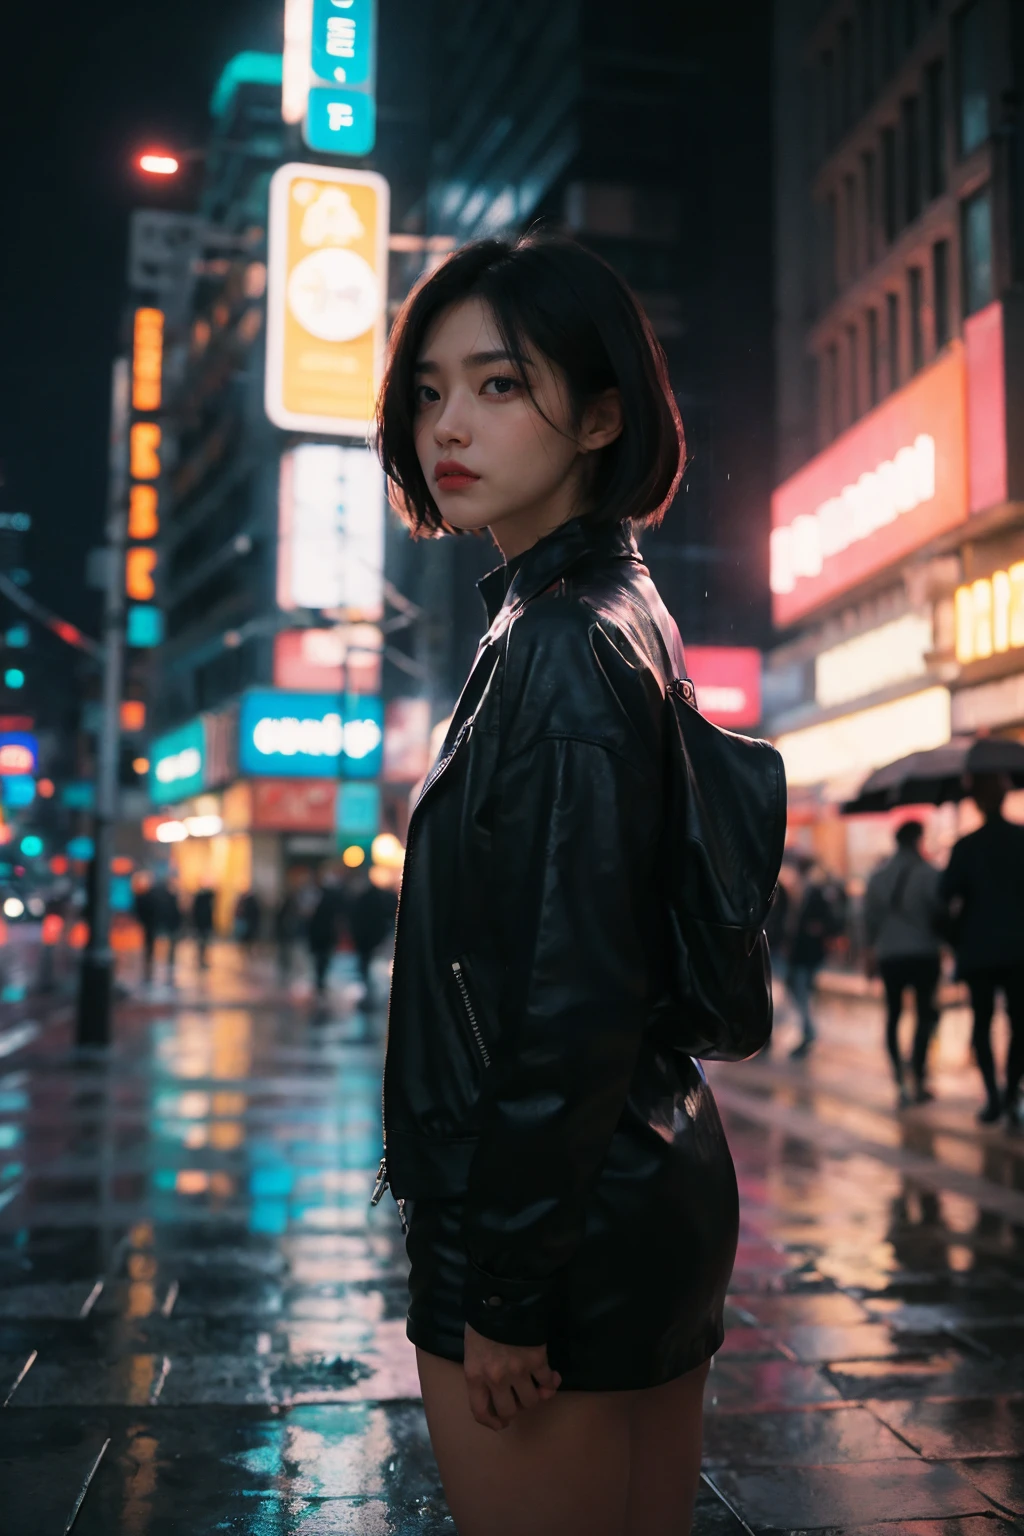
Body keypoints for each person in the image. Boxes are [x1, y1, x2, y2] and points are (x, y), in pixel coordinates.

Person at [373, 233, 739, 1536]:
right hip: (647, 1184)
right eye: (428, 390)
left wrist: (504, 1284)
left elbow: (565, 992)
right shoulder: (606, 611)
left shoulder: (563, 643)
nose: (447, 425)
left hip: (555, 1227)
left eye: (499, 385)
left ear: (598, 415)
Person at [939, 773, 1024, 1127]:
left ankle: (992, 1096)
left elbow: (945, 895)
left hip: (978, 948)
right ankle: (1011, 1094)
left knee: (982, 1021)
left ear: (977, 804)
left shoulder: (967, 846)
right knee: (1020, 1023)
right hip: (1019, 948)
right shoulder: (1021, 839)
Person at [864, 821, 941, 1106]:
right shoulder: (929, 873)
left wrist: (869, 953)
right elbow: (940, 909)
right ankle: (919, 1076)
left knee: (893, 1015)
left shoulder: (877, 877)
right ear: (917, 839)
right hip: (923, 952)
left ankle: (899, 1078)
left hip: (890, 954)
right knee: (925, 1014)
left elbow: (868, 922)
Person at [787, 861, 837, 1059]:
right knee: (799, 991)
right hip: (802, 953)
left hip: (807, 953)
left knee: (801, 991)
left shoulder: (813, 892)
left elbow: (826, 920)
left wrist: (817, 930)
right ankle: (808, 1031)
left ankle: (809, 1032)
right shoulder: (803, 892)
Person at [347, 872, 398, 1008]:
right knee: (367, 964)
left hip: (366, 938)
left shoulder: (363, 899)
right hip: (371, 937)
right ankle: (371, 992)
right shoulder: (375, 898)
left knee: (366, 965)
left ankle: (370, 992)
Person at [307, 876, 344, 998]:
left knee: (321, 960)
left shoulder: (320, 903)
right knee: (322, 960)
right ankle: (320, 982)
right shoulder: (328, 903)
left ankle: (320, 982)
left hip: (321, 937)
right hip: (324, 937)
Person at [191, 887, 215, 969]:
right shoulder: (203, 901)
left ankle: (202, 960)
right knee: (202, 944)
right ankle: (201, 960)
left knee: (204, 944)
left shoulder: (205, 901)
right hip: (202, 926)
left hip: (204, 925)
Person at [234, 890, 262, 955]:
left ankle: (246, 951)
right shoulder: (246, 902)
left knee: (247, 939)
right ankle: (245, 951)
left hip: (248, 923)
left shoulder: (249, 902)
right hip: (245, 923)